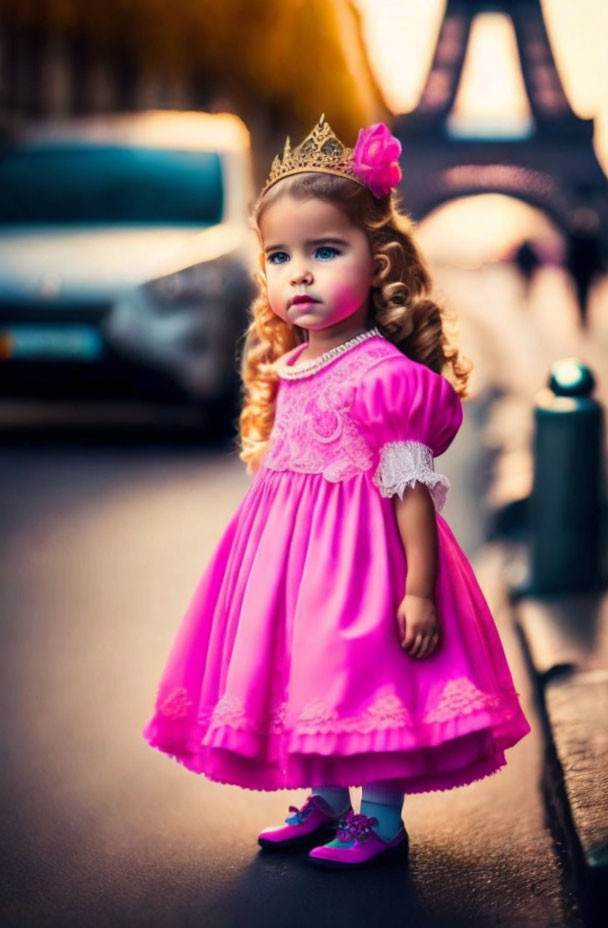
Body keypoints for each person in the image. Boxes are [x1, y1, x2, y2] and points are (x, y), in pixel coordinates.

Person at [142, 115, 531, 870]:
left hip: (365, 557)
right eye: (280, 255)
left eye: (326, 250)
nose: (301, 272)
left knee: (371, 673)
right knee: (303, 670)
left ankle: (379, 818)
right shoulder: (292, 368)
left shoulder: (385, 377)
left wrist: (419, 589)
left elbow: (411, 489)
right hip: (291, 558)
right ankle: (325, 801)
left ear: (379, 262)